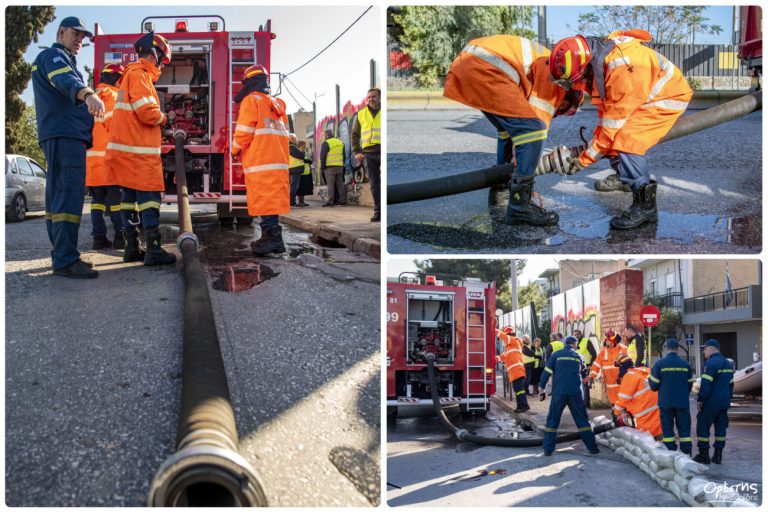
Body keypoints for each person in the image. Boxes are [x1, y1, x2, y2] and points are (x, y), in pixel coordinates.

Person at [549, 30, 693, 229]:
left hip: (666, 98)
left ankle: (646, 207)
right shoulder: (602, 60)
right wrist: (594, 145)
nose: (578, 85)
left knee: (626, 139)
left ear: (584, 67)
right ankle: (626, 179)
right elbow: (607, 117)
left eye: (577, 80)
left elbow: (612, 128)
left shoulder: (622, 67)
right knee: (610, 139)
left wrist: (582, 160)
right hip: (644, 96)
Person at [443, 35, 585, 226]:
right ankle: (520, 207)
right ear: (569, 97)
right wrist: (524, 170)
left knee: (508, 130)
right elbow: (534, 134)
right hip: (486, 67)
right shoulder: (557, 83)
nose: (557, 112)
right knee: (533, 131)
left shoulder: (546, 61)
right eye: (562, 109)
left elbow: (517, 135)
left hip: (471, 64)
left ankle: (500, 184)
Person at [32, 16, 105, 279]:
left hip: (62, 135)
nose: (79, 41)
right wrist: (88, 94)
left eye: (83, 37)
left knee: (59, 196)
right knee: (68, 194)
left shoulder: (62, 58)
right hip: (65, 135)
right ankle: (64, 259)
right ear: (61, 32)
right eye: (76, 34)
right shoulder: (54, 56)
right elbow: (63, 79)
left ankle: (64, 254)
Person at [104, 32, 176, 266]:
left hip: (129, 151)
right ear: (154, 55)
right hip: (139, 153)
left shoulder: (131, 75)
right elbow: (148, 113)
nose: (162, 65)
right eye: (162, 60)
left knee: (129, 199)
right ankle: (154, 250)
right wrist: (165, 119)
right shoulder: (140, 75)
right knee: (149, 199)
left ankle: (132, 248)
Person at [230, 64, 290, 256]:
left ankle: (271, 238)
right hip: (277, 161)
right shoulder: (276, 105)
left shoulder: (251, 101)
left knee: (265, 200)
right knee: (271, 200)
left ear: (249, 83)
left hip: (261, 161)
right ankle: (274, 239)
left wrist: (234, 149)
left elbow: (244, 131)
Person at [539, 336, 600, 456]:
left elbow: (546, 372)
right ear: (575, 344)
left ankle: (548, 449)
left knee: (553, 420)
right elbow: (585, 377)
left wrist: (542, 388)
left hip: (559, 392)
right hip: (575, 393)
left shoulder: (556, 355)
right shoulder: (578, 356)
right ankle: (592, 448)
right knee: (582, 421)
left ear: (565, 344)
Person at [86, 63, 125, 251]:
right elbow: (115, 128)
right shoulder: (112, 96)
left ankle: (99, 238)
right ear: (118, 80)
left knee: (97, 202)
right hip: (108, 160)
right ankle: (120, 237)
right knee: (116, 201)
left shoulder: (91, 97)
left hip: (91, 160)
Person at [648, 338, 694, 455]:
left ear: (666, 348)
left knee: (668, 430)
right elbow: (690, 384)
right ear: (678, 349)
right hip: (682, 402)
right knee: (684, 430)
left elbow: (653, 386)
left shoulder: (659, 364)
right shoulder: (685, 364)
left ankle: (670, 453)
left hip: (665, 403)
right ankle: (686, 453)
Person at [694, 339, 734, 464]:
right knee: (721, 429)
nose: (704, 352)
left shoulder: (710, 364)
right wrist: (728, 398)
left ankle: (704, 455)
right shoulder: (728, 364)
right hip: (724, 402)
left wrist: (701, 400)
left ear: (711, 349)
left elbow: (706, 385)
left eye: (705, 349)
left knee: (703, 427)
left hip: (711, 402)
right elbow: (731, 384)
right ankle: (718, 455)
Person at [612, 353, 662, 437]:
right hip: (659, 413)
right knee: (659, 438)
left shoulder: (629, 376)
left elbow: (623, 400)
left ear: (622, 367)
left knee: (646, 441)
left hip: (645, 416)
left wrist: (615, 414)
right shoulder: (645, 371)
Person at [351, 88, 381, 222]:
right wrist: (357, 151)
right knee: (374, 184)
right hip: (369, 154)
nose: (371, 99)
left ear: (379, 97)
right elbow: (355, 135)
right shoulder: (361, 114)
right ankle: (378, 210)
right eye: (368, 97)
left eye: (373, 96)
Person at [589, 328, 628, 405]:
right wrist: (591, 377)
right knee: (614, 405)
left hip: (622, 383)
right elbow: (596, 365)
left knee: (624, 404)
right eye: (607, 341)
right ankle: (615, 415)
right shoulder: (603, 352)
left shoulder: (623, 349)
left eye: (609, 341)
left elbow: (629, 364)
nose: (608, 343)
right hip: (610, 385)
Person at [496, 326, 529, 413]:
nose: (504, 340)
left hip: (517, 371)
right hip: (514, 373)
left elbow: (504, 337)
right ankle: (521, 406)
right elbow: (502, 357)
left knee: (519, 390)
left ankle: (523, 406)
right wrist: (491, 358)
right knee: (518, 390)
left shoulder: (515, 341)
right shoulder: (508, 348)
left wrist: (493, 329)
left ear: (509, 335)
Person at [320, 129, 346, 207]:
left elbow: (323, 156)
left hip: (330, 167)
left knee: (330, 185)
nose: (324, 137)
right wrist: (342, 164)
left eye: (325, 135)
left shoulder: (326, 143)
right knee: (340, 184)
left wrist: (323, 167)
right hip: (339, 167)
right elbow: (344, 155)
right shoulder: (340, 142)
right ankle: (342, 201)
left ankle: (330, 202)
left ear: (327, 135)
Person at [574, 329, 597, 408]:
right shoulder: (574, 344)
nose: (576, 336)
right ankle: (580, 403)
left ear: (581, 334)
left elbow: (594, 354)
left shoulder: (586, 341)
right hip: (576, 366)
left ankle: (587, 404)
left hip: (586, 366)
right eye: (575, 335)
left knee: (585, 385)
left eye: (578, 334)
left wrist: (590, 364)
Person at [296, 140, 314, 207]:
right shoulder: (299, 151)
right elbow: (303, 160)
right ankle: (300, 202)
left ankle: (302, 202)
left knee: (303, 189)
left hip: (306, 172)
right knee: (301, 188)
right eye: (304, 144)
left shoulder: (304, 151)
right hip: (302, 173)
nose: (305, 146)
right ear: (301, 145)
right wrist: (309, 161)